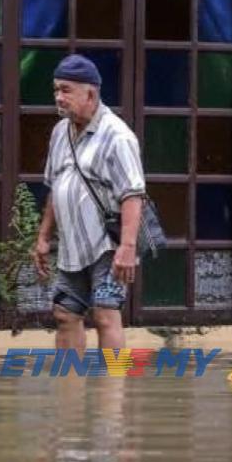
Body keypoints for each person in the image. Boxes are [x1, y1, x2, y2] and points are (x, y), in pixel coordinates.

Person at [33, 54, 145, 351]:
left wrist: (128, 247)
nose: (58, 97)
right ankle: (69, 393)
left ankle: (114, 392)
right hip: (72, 247)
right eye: (56, 89)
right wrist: (44, 237)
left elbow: (133, 193)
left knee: (106, 315)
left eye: (66, 90)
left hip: (107, 246)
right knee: (65, 314)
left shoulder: (118, 136)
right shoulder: (60, 132)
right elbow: (56, 187)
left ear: (90, 93)